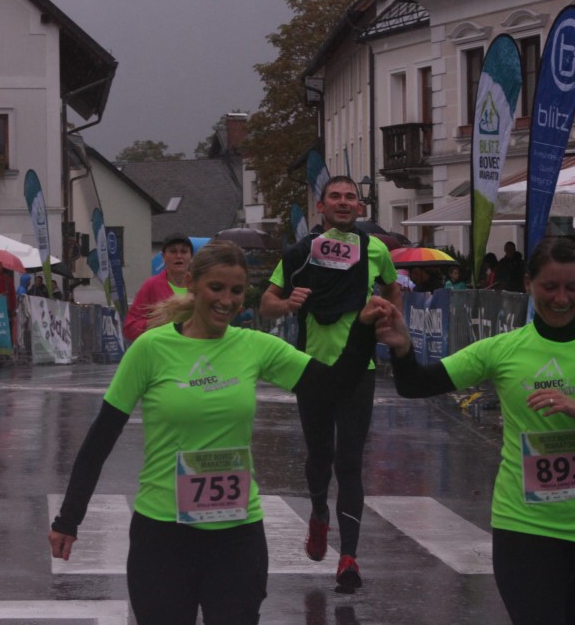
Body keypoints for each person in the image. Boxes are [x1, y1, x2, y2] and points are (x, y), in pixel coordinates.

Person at [48, 240, 390, 624]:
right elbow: (100, 439)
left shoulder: (255, 346)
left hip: (237, 537)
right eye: (216, 288)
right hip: (162, 535)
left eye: (236, 291)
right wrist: (68, 519)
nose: (227, 301)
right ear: (192, 284)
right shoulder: (151, 349)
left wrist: (363, 331)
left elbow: (333, 386)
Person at [376, 238, 575, 625]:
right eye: (549, 287)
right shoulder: (502, 349)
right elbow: (415, 385)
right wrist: (402, 349)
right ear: (528, 284)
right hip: (523, 524)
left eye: (572, 288)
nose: (561, 299)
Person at [259, 175, 401, 589]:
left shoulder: (375, 249)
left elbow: (393, 287)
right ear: (320, 207)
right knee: (320, 457)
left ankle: (349, 558)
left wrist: (389, 320)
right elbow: (266, 303)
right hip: (313, 370)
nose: (343, 202)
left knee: (350, 462)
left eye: (350, 197)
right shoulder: (301, 252)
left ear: (360, 207)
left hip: (359, 370)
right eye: (335, 196)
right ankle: (319, 512)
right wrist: (287, 303)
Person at [123, 232, 194, 343]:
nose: (179, 256)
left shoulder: (200, 286)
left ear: (191, 258)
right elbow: (129, 329)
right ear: (163, 257)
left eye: (184, 251)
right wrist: (162, 320)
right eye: (173, 251)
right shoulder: (151, 285)